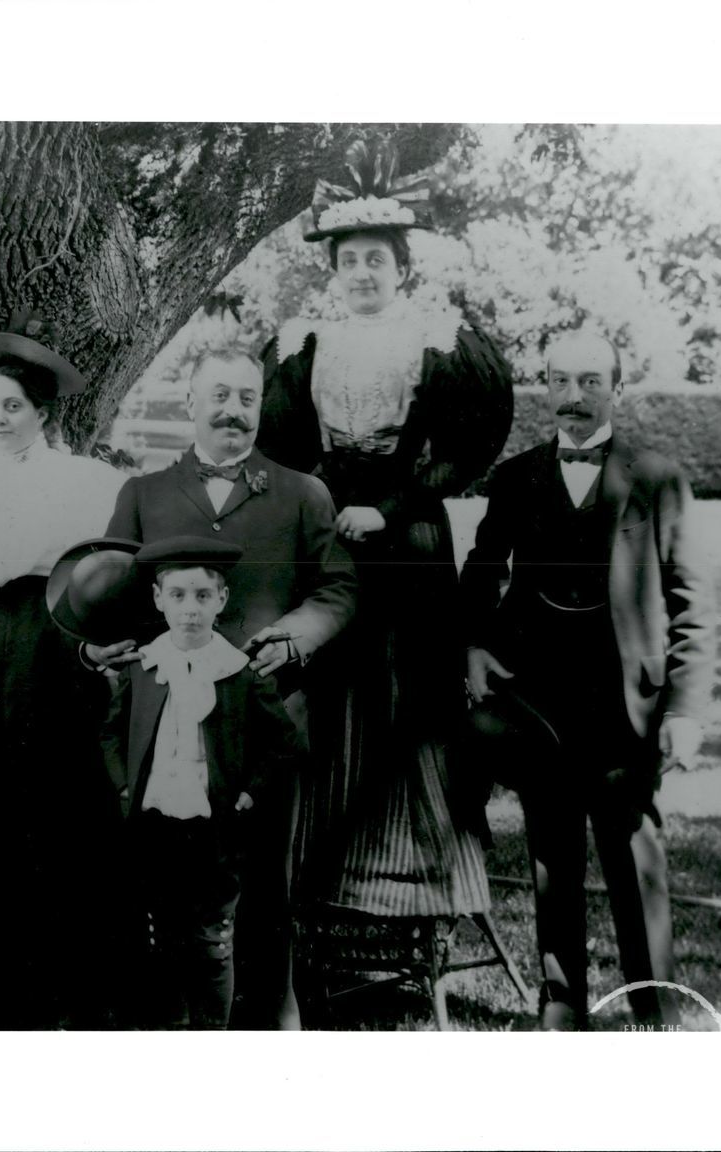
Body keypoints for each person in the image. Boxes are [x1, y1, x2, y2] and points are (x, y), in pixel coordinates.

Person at [258, 140, 513, 932]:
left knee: (407, 697)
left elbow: (476, 442)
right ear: (331, 270)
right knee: (329, 691)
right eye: (348, 261)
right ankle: (324, 885)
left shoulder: (438, 335)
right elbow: (281, 442)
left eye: (376, 259)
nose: (362, 273)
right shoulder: (305, 340)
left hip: (409, 543)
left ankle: (411, 893)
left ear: (400, 266)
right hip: (329, 530)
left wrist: (396, 506)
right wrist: (317, 504)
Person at [88, 347, 358, 1030]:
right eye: (217, 395)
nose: (231, 409)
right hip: (166, 733)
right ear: (190, 404)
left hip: (261, 724)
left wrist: (295, 636)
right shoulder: (141, 494)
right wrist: (97, 648)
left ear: (260, 404)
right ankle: (169, 1026)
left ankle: (270, 1024)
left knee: (265, 885)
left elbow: (337, 585)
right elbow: (110, 596)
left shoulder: (302, 492)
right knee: (162, 888)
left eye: (245, 396)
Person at [461, 330, 716, 1029]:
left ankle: (655, 1006)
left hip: (624, 707)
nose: (571, 397)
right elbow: (481, 575)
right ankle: (562, 1002)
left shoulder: (656, 477)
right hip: (536, 699)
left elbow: (692, 602)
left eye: (588, 381)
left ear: (616, 388)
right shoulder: (515, 479)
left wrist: (685, 709)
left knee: (633, 854)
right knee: (550, 852)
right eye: (557, 380)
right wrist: (476, 647)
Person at [0, 315, 127, 1028]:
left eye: (13, 406)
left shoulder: (77, 481)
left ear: (43, 412)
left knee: (62, 790)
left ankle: (81, 987)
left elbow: (101, 570)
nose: (0, 419)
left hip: (53, 635)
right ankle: (16, 986)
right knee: (1, 790)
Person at [92, 536, 303, 1029]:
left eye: (203, 597)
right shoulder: (143, 668)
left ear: (222, 601)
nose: (190, 610)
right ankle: (169, 1028)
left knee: (211, 939)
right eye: (179, 596)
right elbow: (110, 733)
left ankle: (211, 1031)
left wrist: (251, 790)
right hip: (154, 820)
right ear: (158, 599)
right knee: (160, 933)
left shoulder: (239, 672)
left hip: (215, 828)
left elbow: (283, 742)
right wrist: (125, 784)